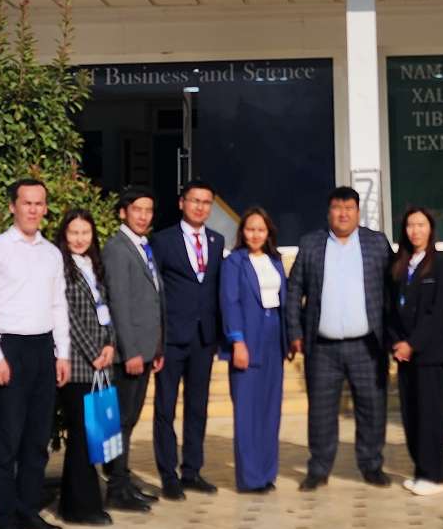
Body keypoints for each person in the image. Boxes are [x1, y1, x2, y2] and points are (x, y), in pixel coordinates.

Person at [0, 179, 71, 529]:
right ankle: (3, 520)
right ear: (13, 206)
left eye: (39, 203)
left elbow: (58, 305)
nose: (33, 209)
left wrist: (62, 353)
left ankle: (28, 510)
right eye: (27, 203)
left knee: (37, 439)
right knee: (6, 440)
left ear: (45, 208)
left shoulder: (52, 254)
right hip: (9, 348)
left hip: (43, 349)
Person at [285, 186, 394, 491]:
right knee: (321, 411)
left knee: (372, 408)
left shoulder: (376, 243)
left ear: (358, 212)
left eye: (349, 208)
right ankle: (318, 469)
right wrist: (294, 332)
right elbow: (294, 290)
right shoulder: (311, 244)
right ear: (328, 211)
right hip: (322, 346)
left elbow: (392, 289)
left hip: (367, 345)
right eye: (337, 208)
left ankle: (371, 465)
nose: (343, 214)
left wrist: (395, 334)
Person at [152, 179, 225, 499]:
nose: (200, 207)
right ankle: (168, 475)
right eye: (195, 200)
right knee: (165, 408)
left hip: (203, 338)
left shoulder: (217, 241)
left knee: (198, 407)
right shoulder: (162, 240)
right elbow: (154, 291)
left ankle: (192, 471)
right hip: (171, 337)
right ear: (182, 203)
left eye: (206, 202)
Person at [101, 186, 166, 512]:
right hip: (131, 354)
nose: (143, 216)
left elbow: (153, 299)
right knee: (121, 421)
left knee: (130, 419)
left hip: (147, 349)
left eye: (148, 210)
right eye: (137, 209)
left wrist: (157, 347)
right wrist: (131, 351)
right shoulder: (117, 248)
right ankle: (116, 488)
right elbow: (119, 304)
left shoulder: (143, 246)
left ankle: (123, 481)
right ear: (123, 212)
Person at [53, 208, 116, 526]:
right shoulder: (61, 269)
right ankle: (83, 507)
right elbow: (68, 317)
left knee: (93, 435)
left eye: (85, 233)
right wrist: (93, 352)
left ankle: (71, 502)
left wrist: (110, 345)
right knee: (81, 434)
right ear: (64, 235)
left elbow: (107, 310)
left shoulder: (94, 265)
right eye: (73, 233)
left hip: (102, 363)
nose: (79, 239)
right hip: (77, 364)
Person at [387, 206, 443, 495]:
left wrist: (412, 344)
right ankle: (420, 470)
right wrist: (396, 342)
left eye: (421, 225)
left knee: (430, 416)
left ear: (431, 229)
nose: (415, 231)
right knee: (411, 414)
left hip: (428, 353)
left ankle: (434, 475)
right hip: (403, 354)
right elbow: (390, 308)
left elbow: (438, 312)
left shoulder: (441, 265)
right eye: (410, 225)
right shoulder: (400, 264)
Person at [220, 205, 289, 493]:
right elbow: (230, 302)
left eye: (261, 229)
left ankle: (267, 473)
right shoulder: (234, 262)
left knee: (271, 410)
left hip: (274, 338)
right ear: (242, 232)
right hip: (248, 338)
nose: (255, 235)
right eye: (250, 229)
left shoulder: (275, 260)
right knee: (247, 412)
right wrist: (237, 341)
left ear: (268, 232)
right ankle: (250, 478)